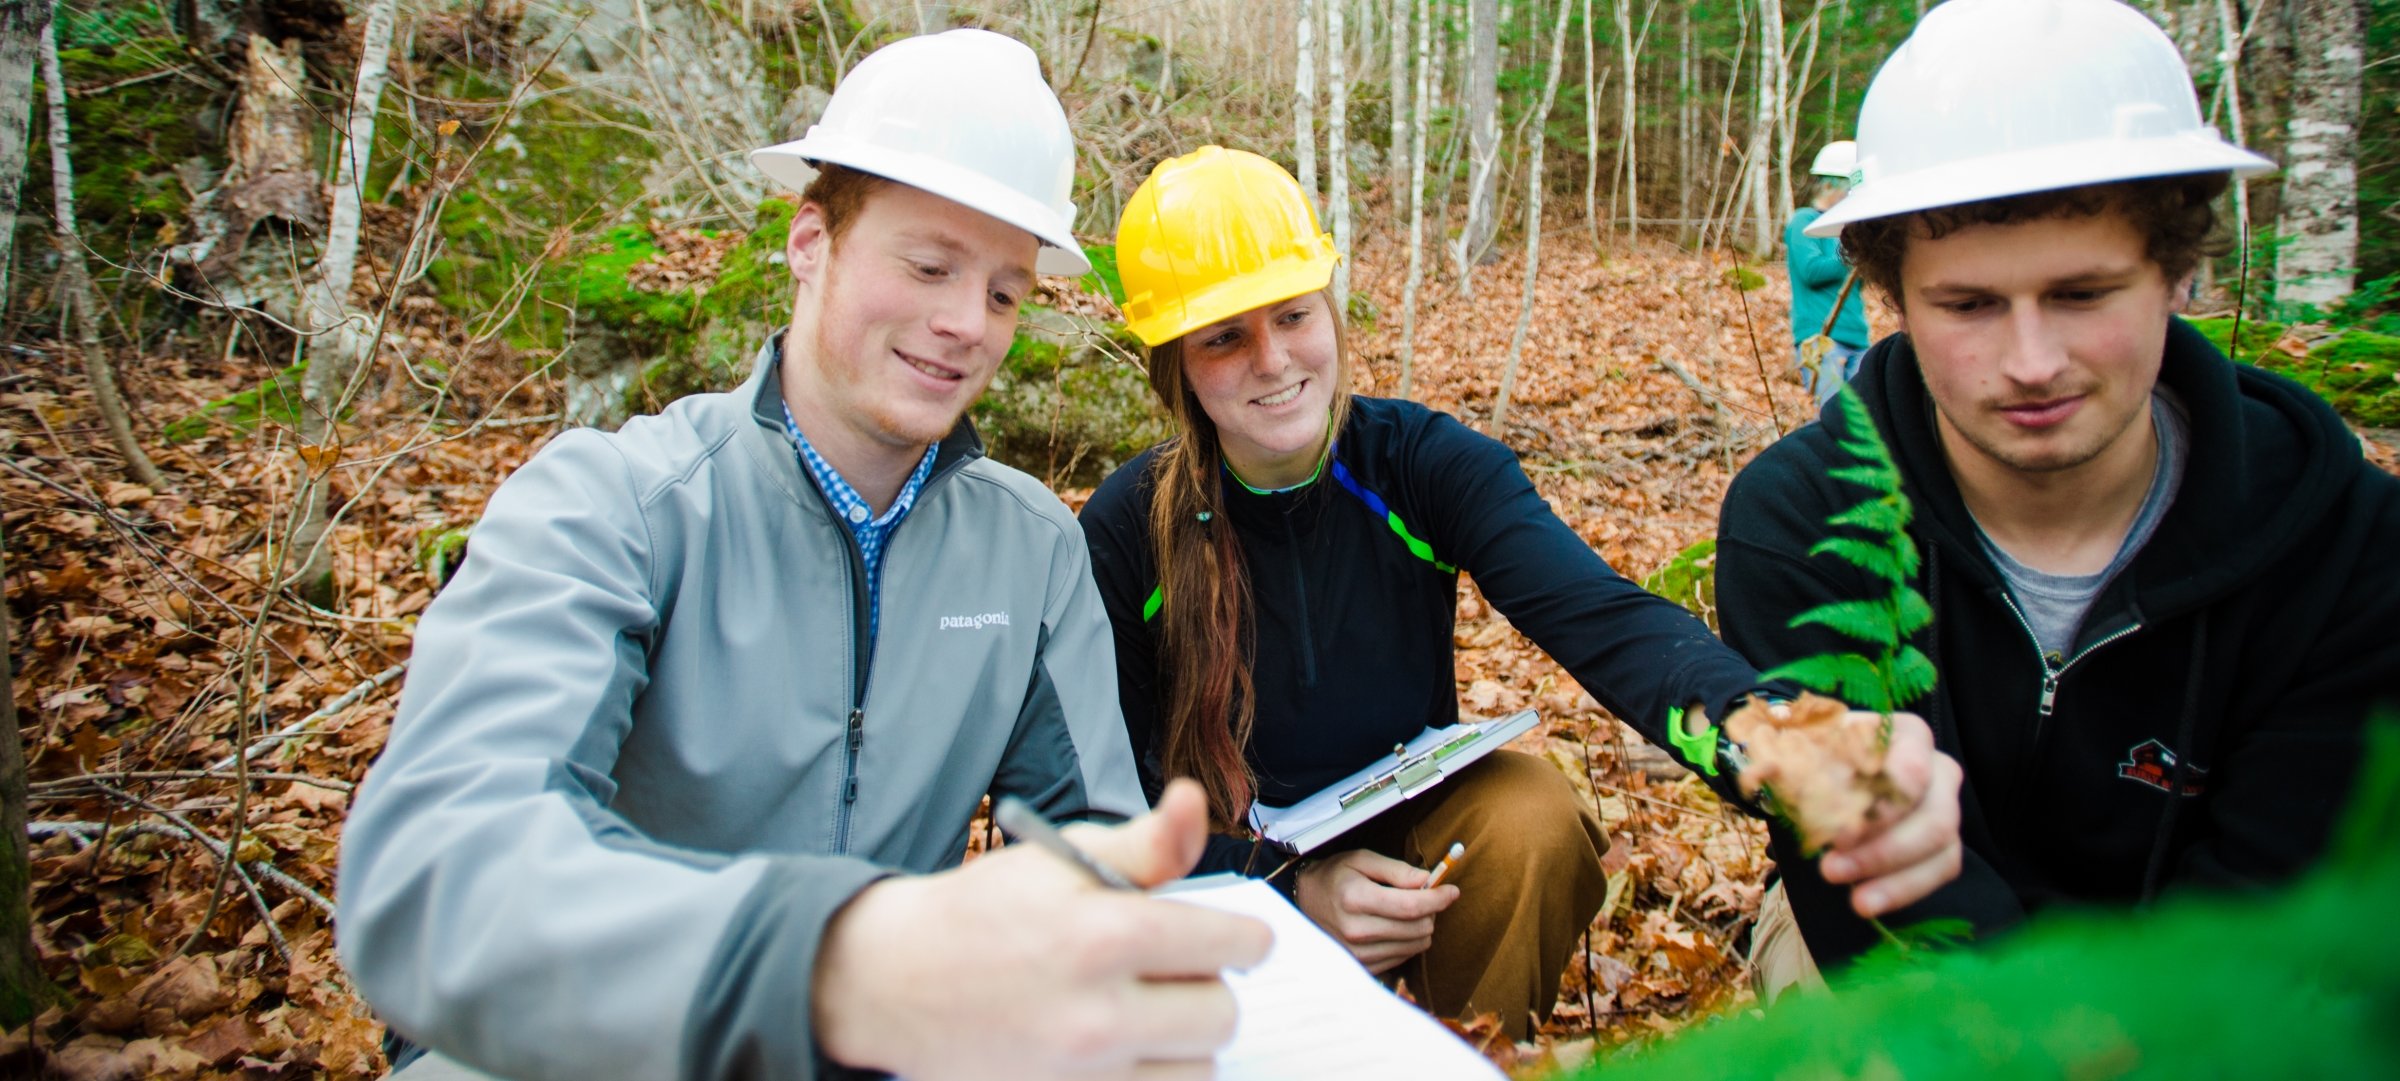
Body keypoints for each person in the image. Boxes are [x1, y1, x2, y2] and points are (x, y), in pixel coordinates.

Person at [336, 30, 1269, 1081]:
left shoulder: (1033, 549)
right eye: (928, 265)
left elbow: (1091, 844)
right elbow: (430, 878)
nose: (966, 323)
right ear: (810, 240)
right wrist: (829, 965)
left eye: (1006, 292)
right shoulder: (618, 504)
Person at [1078, 145, 1966, 1040]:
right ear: (1177, 363)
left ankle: (1476, 1054)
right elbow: (1106, 802)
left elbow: (1604, 618)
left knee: (1531, 817)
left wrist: (1780, 740)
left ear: (1331, 309)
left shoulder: (1419, 464)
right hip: (1221, 875)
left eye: (1293, 314)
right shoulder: (1126, 532)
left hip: (1418, 841)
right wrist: (1287, 885)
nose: (1272, 359)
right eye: (1225, 336)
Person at [1717, 0, 2400, 999]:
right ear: (1889, 298)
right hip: (1921, 974)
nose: (2031, 362)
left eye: (2081, 295)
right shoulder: (1799, 522)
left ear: (2175, 276)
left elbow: (2278, 905)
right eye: (1969, 305)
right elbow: (1866, 911)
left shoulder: (2340, 539)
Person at [1786, 140, 1872, 403]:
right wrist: (1853, 252)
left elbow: (1857, 286)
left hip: (1858, 339)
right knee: (1831, 417)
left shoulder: (1849, 231)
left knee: (1863, 419)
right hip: (1821, 339)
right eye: (1849, 190)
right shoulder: (1805, 221)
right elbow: (1812, 271)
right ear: (1828, 185)